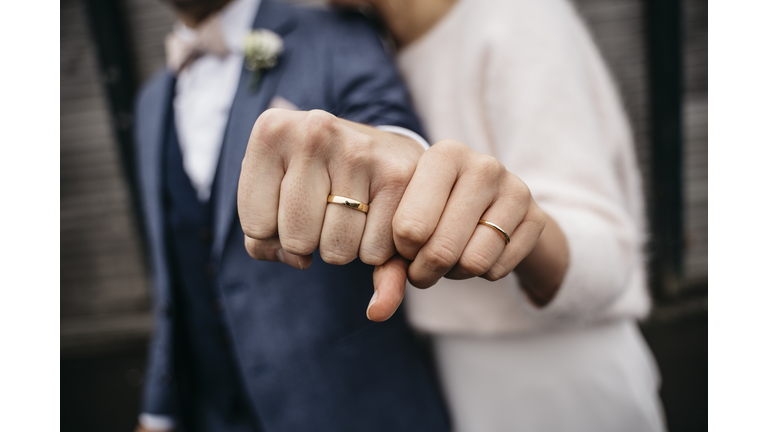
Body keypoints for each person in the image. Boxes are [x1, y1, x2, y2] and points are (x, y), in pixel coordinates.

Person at [242, 0, 668, 430]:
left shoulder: (515, 17)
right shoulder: (366, 46)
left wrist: (510, 218)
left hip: (560, 373)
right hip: (451, 377)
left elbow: (608, 257)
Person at [132, 0, 453, 430]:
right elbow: (171, 281)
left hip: (348, 403)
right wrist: (157, 411)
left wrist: (397, 157)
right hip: (213, 413)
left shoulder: (334, 34)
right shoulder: (150, 102)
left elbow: (393, 134)